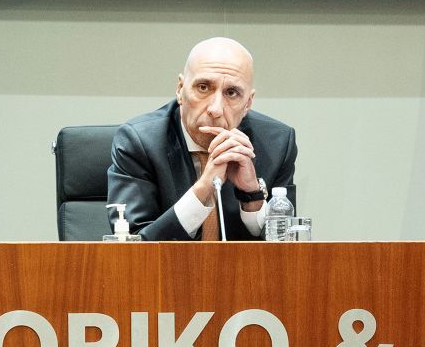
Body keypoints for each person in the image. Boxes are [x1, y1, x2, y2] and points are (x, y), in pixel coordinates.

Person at [105, 36, 297, 241]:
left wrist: (252, 197)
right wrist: (203, 189)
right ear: (180, 90)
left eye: (232, 93)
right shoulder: (139, 142)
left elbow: (287, 250)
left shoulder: (276, 144)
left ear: (248, 103)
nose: (215, 109)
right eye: (203, 87)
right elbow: (133, 246)